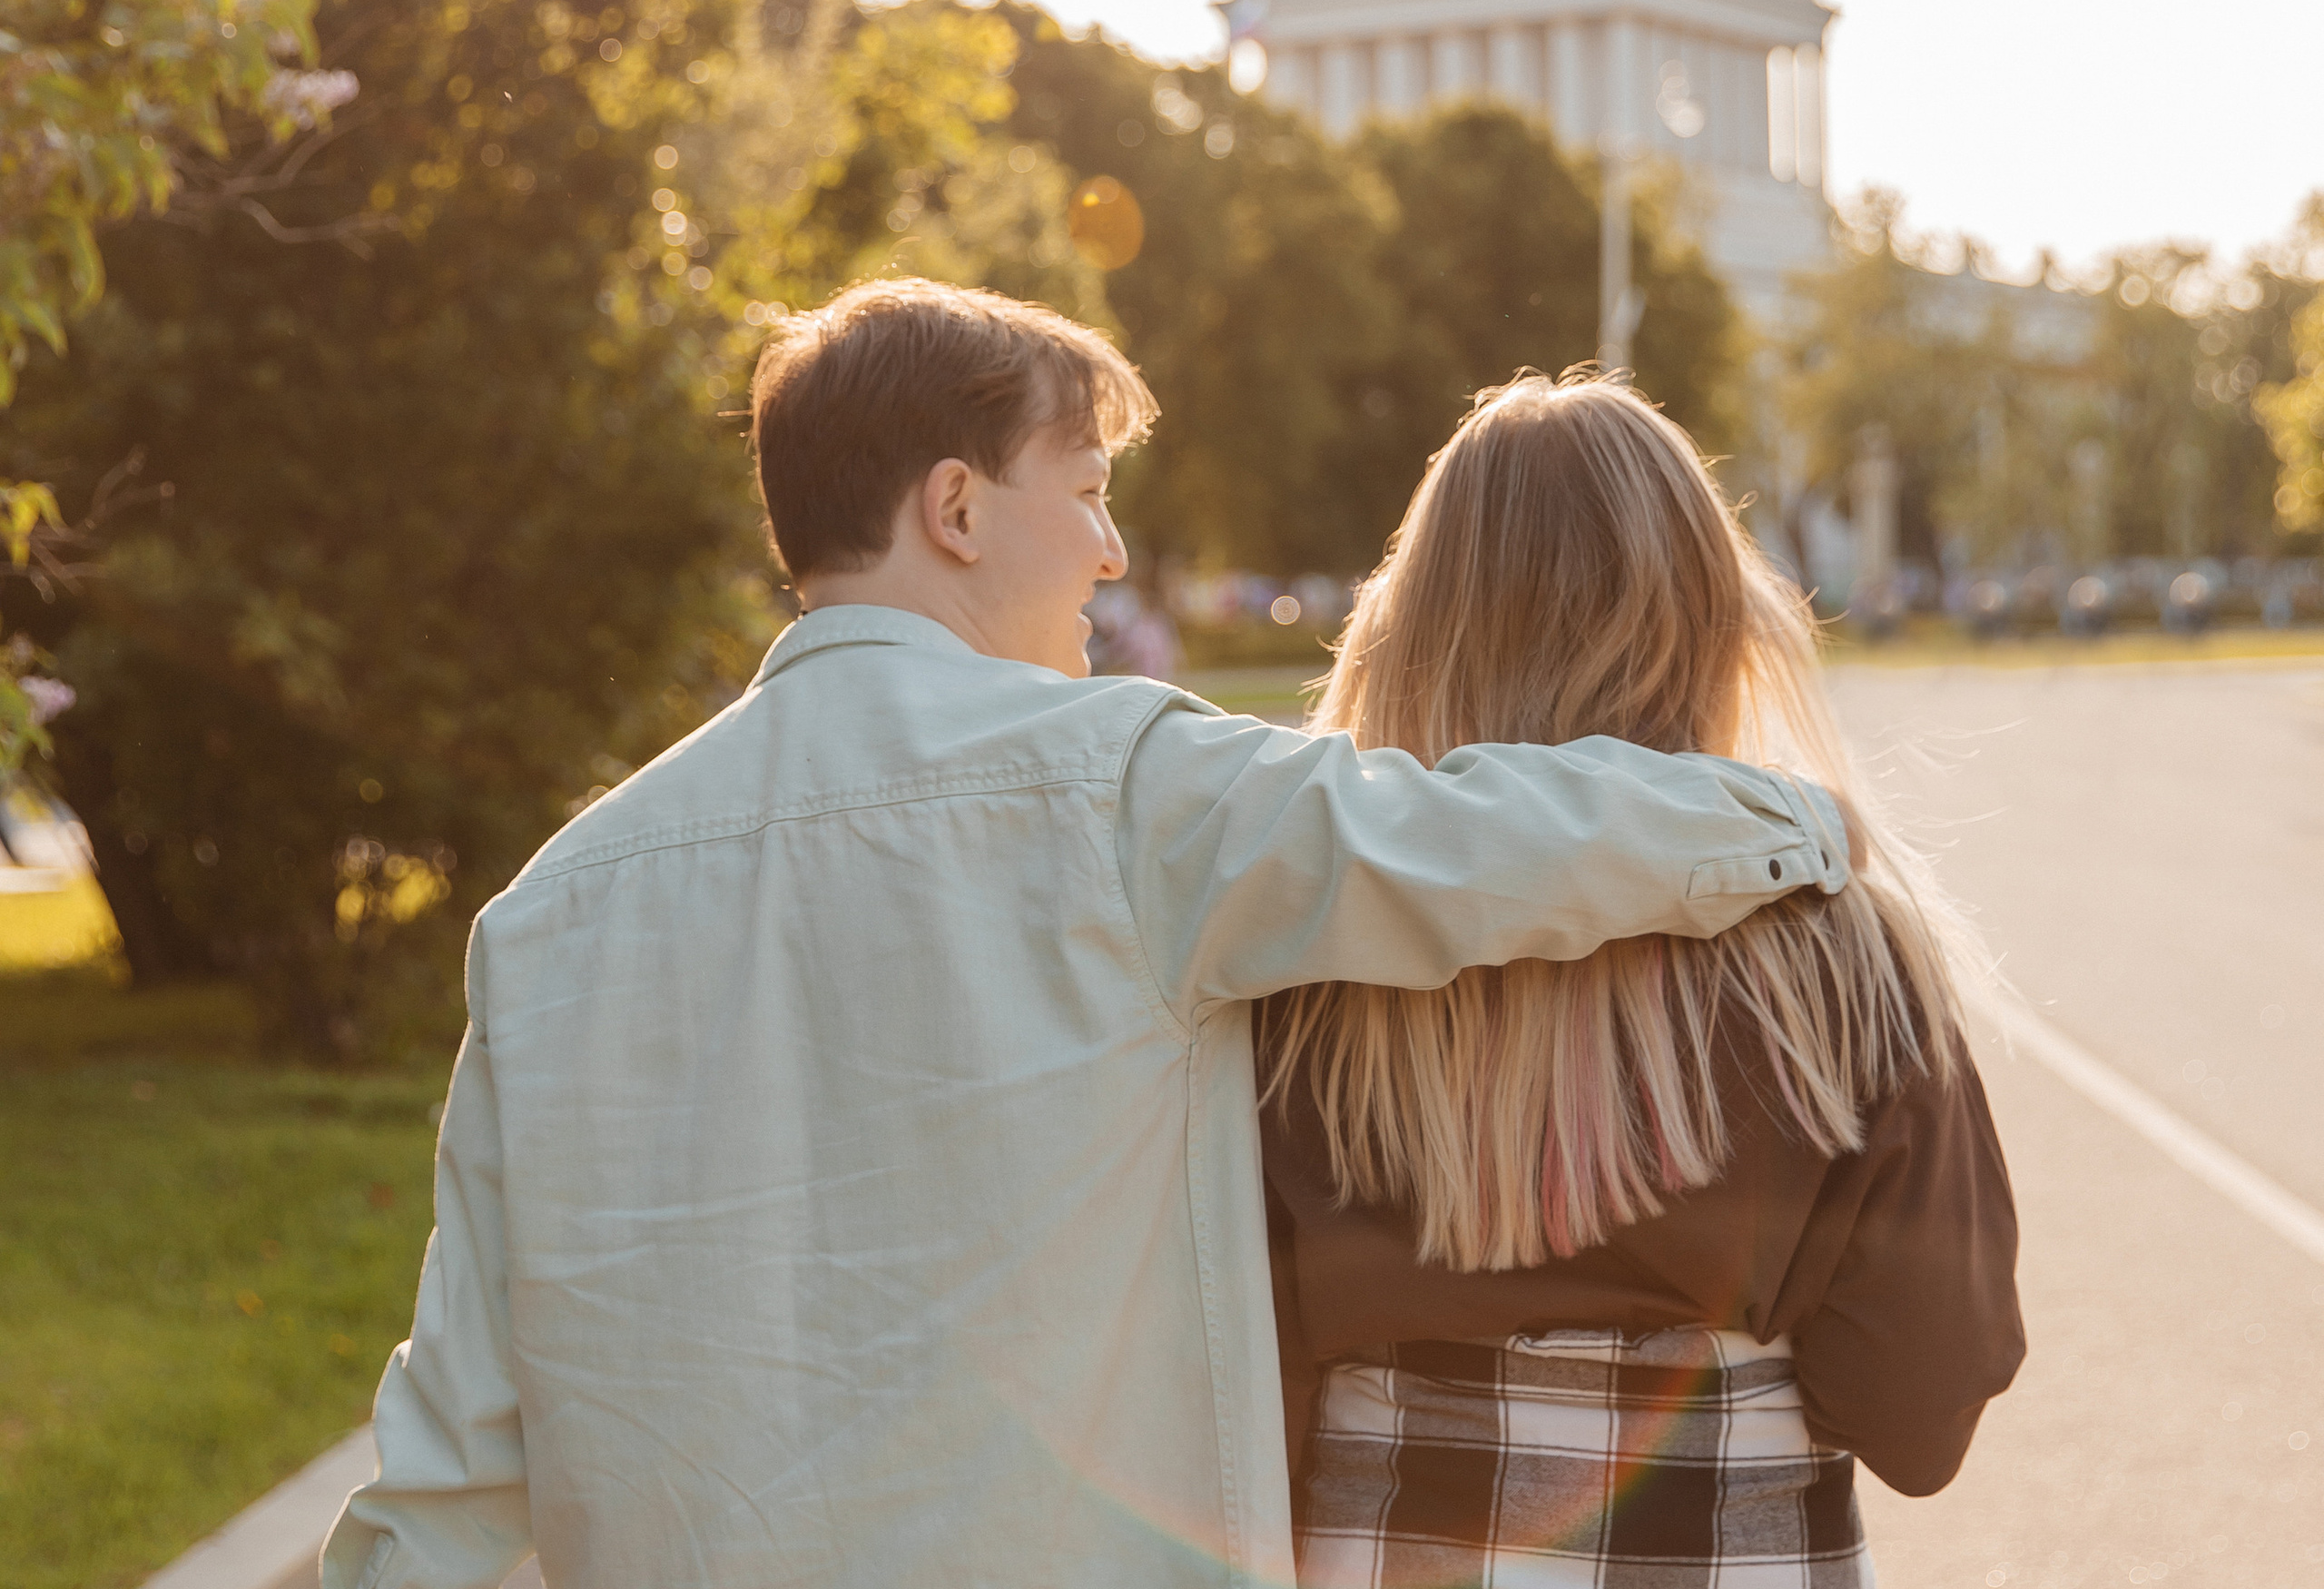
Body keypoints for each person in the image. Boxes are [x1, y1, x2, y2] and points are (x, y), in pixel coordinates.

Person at [322, 281, 1852, 1589]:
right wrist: (1803, 829)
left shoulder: (553, 911)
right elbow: (1480, 840)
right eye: (1090, 487)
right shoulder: (1125, 794)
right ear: (958, 508)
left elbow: (453, 1457)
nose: (1113, 554)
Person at [1262, 374, 2023, 1587]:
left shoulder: (1301, 956)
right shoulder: (1841, 959)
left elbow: (1225, 1363)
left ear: (1411, 620)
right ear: (1713, 614)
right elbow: (1920, 1405)